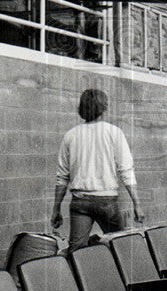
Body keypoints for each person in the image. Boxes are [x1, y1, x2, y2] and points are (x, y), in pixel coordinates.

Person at [52, 88, 142, 252]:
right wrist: (137, 203)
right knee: (122, 249)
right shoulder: (114, 132)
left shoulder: (70, 135)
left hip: (80, 202)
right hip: (106, 201)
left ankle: (81, 276)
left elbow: (62, 177)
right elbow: (126, 171)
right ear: (104, 107)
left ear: (81, 109)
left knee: (77, 252)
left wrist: (56, 209)